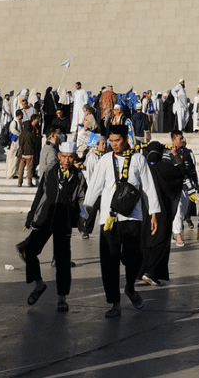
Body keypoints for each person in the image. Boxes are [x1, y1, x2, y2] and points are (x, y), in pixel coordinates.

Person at [83, 125, 160, 317]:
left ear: (126, 139)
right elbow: (94, 187)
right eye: (111, 141)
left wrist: (153, 213)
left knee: (134, 257)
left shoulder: (138, 159)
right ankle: (115, 303)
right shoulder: (105, 160)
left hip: (132, 216)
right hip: (110, 219)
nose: (113, 145)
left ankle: (131, 288)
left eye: (117, 141)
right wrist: (85, 213)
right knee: (109, 261)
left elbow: (148, 187)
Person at [18, 140, 85, 311]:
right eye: (64, 157)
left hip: (64, 221)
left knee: (62, 260)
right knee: (28, 250)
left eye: (71, 157)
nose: (67, 160)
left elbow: (81, 199)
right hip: (45, 217)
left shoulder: (78, 177)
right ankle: (39, 284)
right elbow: (40, 193)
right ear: (59, 156)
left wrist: (80, 218)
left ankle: (62, 298)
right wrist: (31, 215)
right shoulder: (50, 171)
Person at [138, 141, 184, 286]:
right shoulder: (164, 168)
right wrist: (177, 158)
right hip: (161, 211)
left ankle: (142, 271)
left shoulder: (142, 169)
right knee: (161, 241)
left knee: (146, 240)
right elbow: (181, 172)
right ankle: (151, 272)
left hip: (145, 211)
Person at [164, 131, 198, 247]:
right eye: (179, 138)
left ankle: (175, 230)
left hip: (186, 186)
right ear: (173, 140)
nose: (182, 140)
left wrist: (195, 183)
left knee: (183, 209)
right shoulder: (167, 153)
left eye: (182, 138)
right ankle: (178, 235)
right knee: (178, 210)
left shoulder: (187, 152)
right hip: (174, 187)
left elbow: (192, 168)